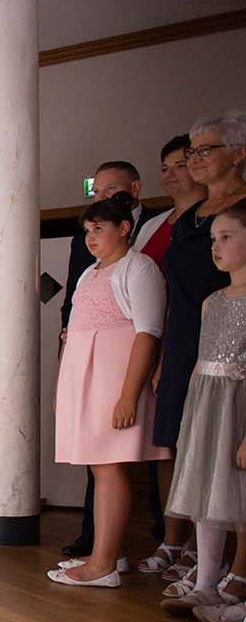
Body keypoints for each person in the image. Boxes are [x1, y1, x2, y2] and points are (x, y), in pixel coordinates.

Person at [48, 193, 169, 588]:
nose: (91, 237)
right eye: (87, 230)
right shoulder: (89, 272)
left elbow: (148, 333)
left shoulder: (140, 268)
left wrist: (128, 395)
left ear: (124, 228)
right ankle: (107, 553)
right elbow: (74, 332)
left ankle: (103, 565)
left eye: (99, 228)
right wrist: (63, 388)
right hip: (85, 380)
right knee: (98, 467)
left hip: (113, 381)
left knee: (109, 467)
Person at [154, 110, 246, 597]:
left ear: (239, 153)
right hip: (189, 340)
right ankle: (196, 555)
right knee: (186, 443)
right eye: (192, 151)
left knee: (234, 455)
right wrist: (164, 356)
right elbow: (174, 291)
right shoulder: (189, 217)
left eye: (206, 149)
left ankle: (237, 571)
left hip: (238, 342)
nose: (195, 159)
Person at [134, 135, 208, 575]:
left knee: (203, 444)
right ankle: (171, 539)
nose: (172, 173)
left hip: (205, 334)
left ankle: (202, 546)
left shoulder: (218, 218)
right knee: (167, 445)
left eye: (181, 164)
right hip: (165, 337)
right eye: (166, 167)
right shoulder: (155, 225)